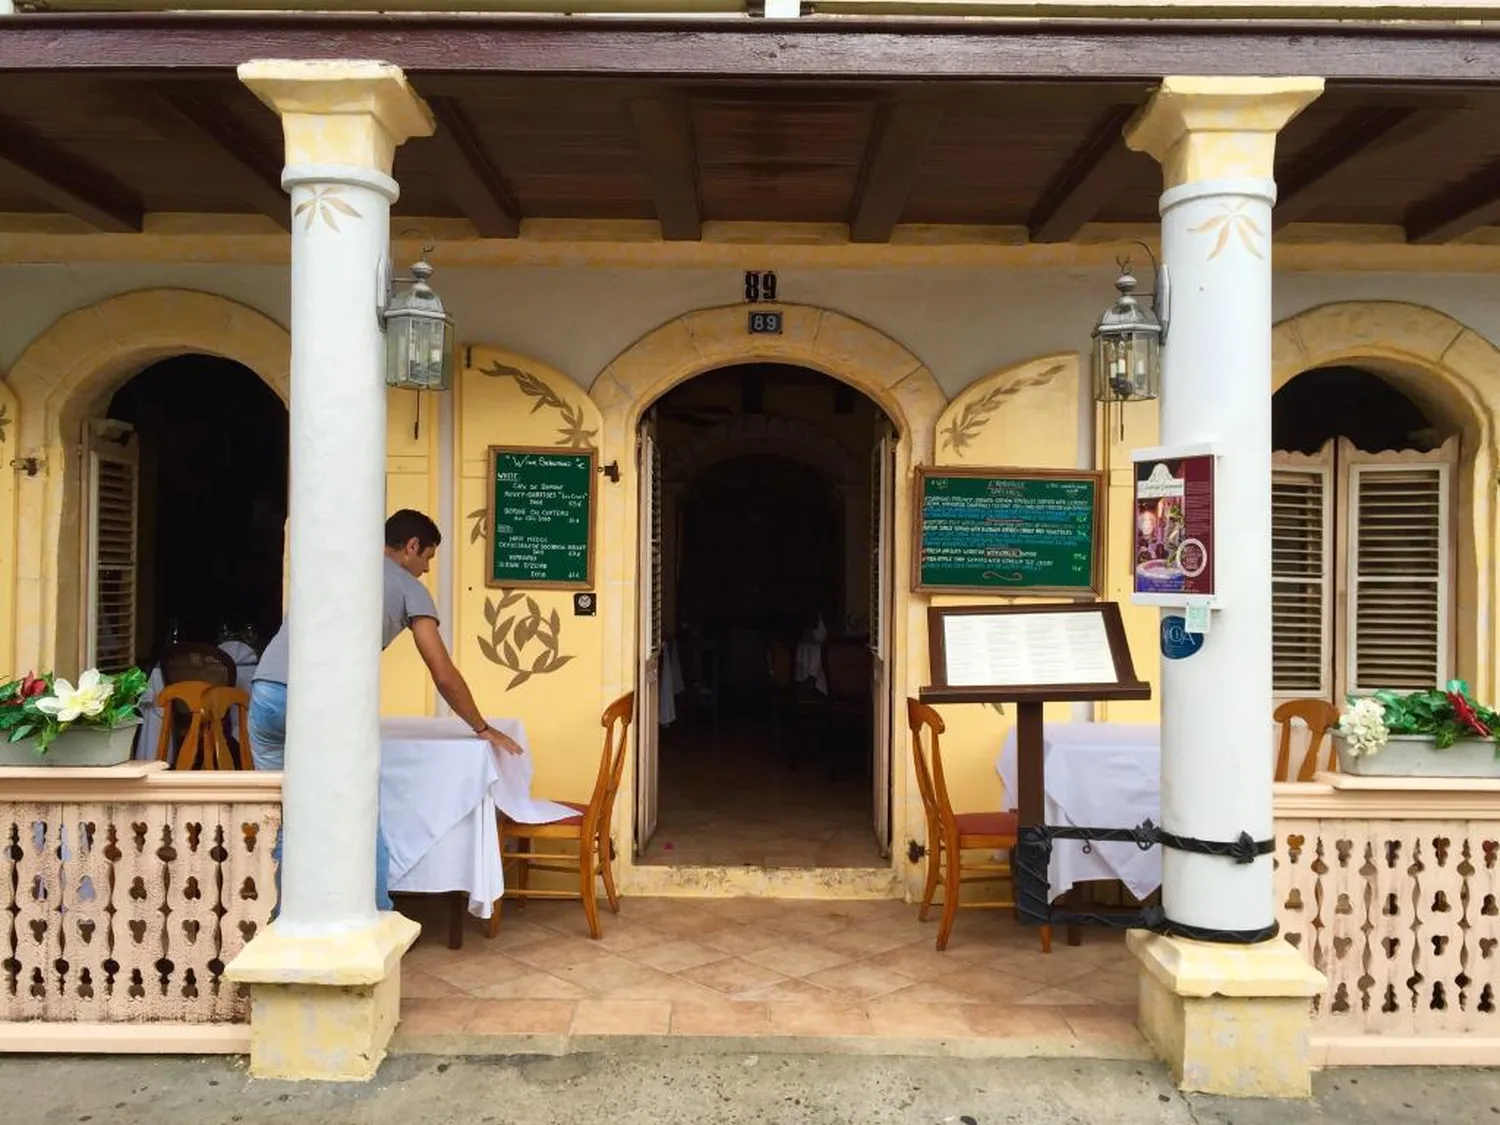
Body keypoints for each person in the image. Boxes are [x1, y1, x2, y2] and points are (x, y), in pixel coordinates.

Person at [248, 508, 522, 911]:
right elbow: (442, 673)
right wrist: (481, 726)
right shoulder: (407, 586)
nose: (427, 569)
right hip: (321, 702)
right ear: (411, 547)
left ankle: (280, 919)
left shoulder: (336, 566)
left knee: (282, 813)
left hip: (267, 692)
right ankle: (374, 915)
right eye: (428, 557)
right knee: (361, 813)